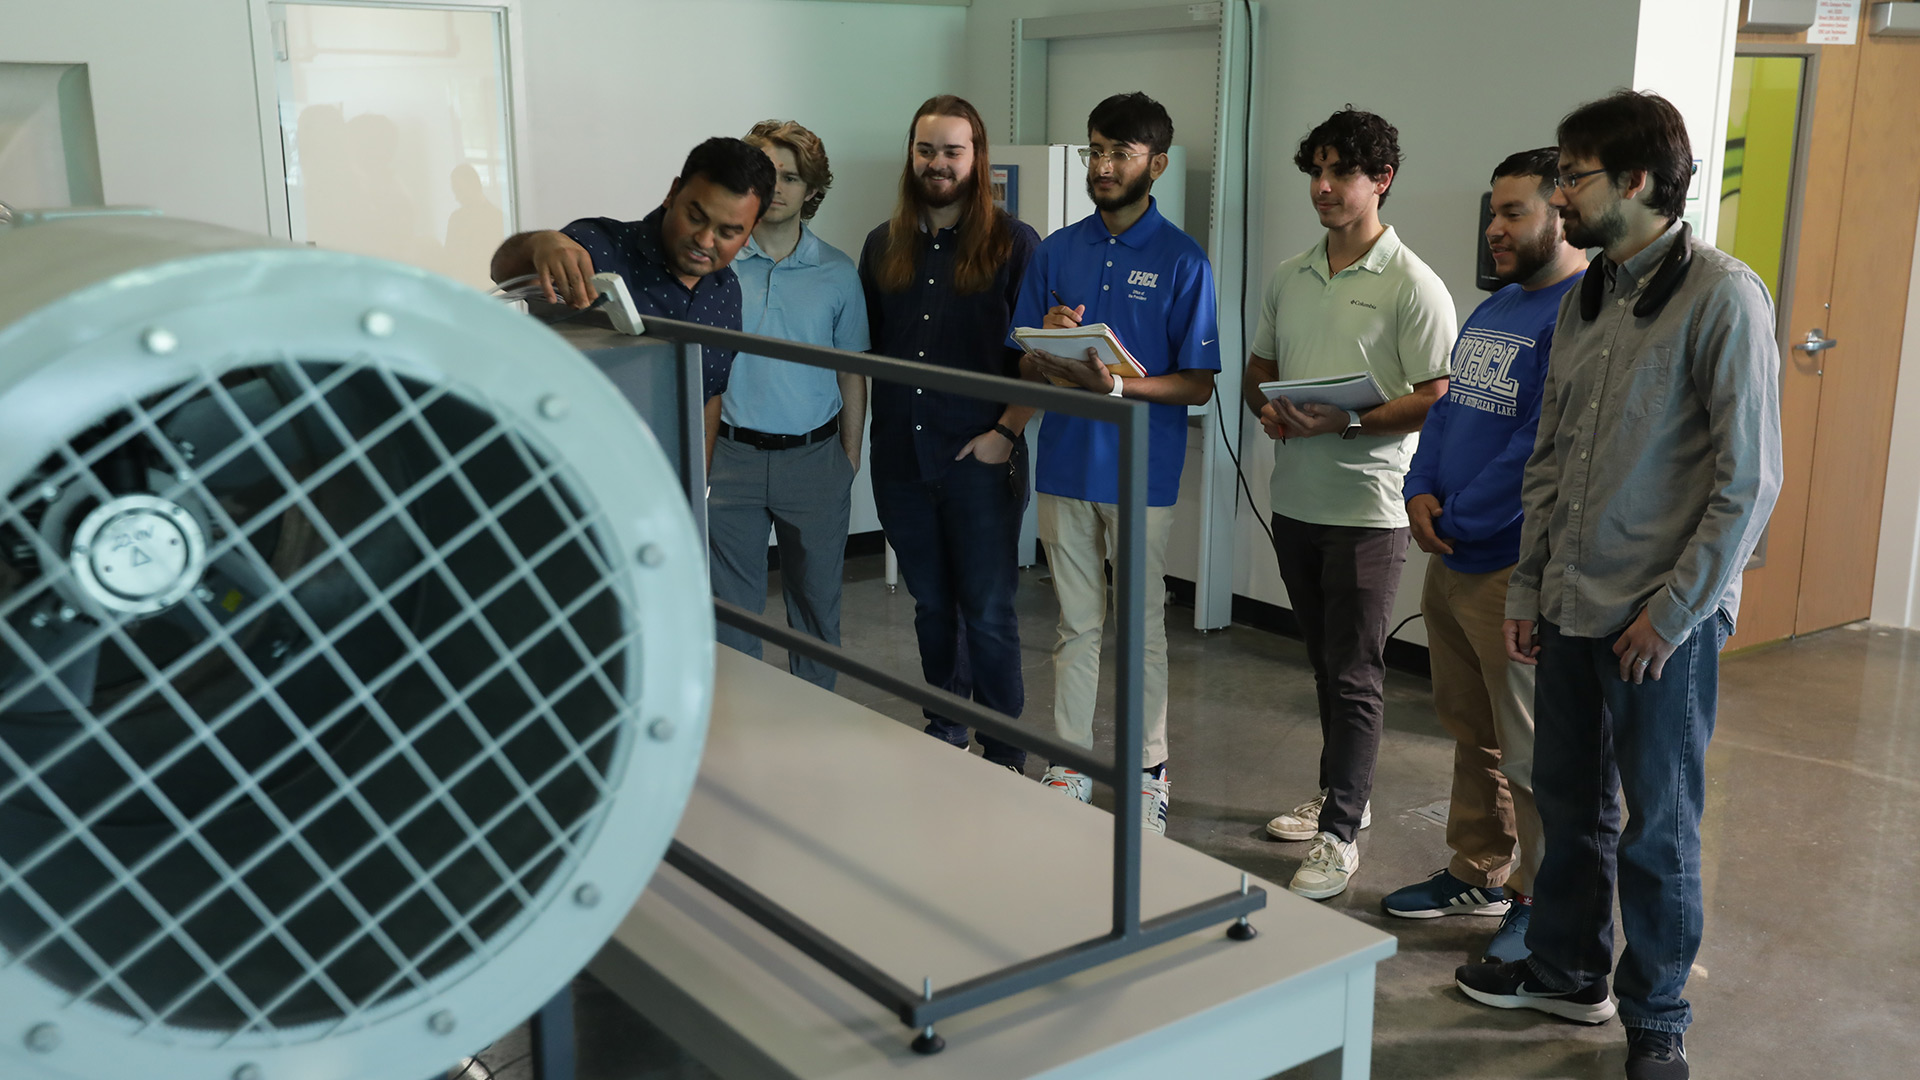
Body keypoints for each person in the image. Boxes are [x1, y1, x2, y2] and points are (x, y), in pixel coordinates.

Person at [1453, 92, 1782, 1080]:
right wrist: (1529, 590)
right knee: (1569, 803)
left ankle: (1658, 1015)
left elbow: (1748, 481)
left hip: (1658, 624)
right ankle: (1566, 968)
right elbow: (1551, 457)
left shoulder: (1723, 296)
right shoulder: (1588, 295)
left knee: (1659, 828)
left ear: (1637, 181)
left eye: (1574, 175)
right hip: (1569, 605)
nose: (1560, 194)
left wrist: (1672, 615)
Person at [1241, 106, 1454, 900]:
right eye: (1316, 172)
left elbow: (1437, 395)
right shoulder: (1290, 274)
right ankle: (1344, 796)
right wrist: (1269, 410)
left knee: (1357, 670)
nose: (1323, 187)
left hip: (1369, 508)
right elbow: (1260, 368)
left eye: (1342, 173)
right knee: (1325, 662)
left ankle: (1340, 835)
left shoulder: (1413, 284)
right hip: (1296, 499)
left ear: (1381, 179)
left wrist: (1352, 420)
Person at [1380, 147, 1586, 962]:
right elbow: (1448, 413)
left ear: (1562, 215)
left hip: (1510, 566)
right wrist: (1418, 490)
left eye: (1513, 213)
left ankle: (1540, 899)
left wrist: (1460, 514)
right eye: (1492, 213)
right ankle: (1478, 868)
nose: (1494, 229)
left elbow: (1540, 444)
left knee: (1530, 750)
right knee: (1472, 730)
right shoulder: (1496, 307)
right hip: (1452, 554)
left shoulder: (1576, 316)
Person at [1008, 92, 1219, 834]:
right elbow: (1022, 363)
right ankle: (1069, 762)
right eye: (1094, 150)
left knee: (1141, 628)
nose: (1102, 165)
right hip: (1064, 464)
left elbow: (1198, 383)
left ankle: (1146, 772)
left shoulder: (1184, 260)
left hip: (1141, 472)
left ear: (1155, 164)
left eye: (1119, 153)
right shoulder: (1056, 250)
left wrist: (1120, 387)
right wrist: (1046, 341)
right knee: (1074, 625)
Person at [858, 95, 1041, 773]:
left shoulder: (1015, 244)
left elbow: (1036, 357)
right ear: (912, 155)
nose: (937, 163)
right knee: (932, 606)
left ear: (976, 157)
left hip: (980, 460)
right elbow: (870, 347)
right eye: (926, 149)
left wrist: (1005, 433)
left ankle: (1004, 753)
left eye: (952, 151)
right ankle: (946, 727)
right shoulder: (883, 244)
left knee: (988, 610)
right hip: (901, 459)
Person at [489, 136, 774, 467]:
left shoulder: (727, 291)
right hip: (562, 469)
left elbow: (708, 397)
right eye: (696, 217)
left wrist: (697, 484)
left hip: (658, 480)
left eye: (727, 232)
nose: (704, 240)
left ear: (750, 231)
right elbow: (504, 271)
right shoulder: (601, 247)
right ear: (673, 193)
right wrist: (540, 243)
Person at [709, 120, 869, 690]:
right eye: (766, 173)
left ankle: (815, 726)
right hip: (730, 460)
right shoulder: (716, 263)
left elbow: (852, 370)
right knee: (731, 618)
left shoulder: (837, 273)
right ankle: (739, 724)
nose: (777, 187)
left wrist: (849, 458)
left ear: (812, 189)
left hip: (815, 461)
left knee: (818, 615)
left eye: (792, 177)